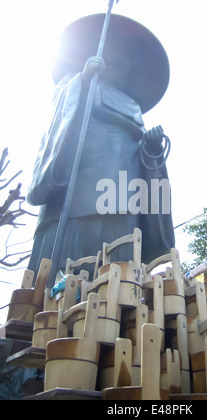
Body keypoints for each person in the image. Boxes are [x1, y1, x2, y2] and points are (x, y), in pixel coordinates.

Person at [26, 14, 175, 277]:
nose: (119, 70)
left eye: (124, 67)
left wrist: (150, 148)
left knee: (118, 262)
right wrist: (83, 81)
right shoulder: (77, 84)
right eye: (115, 62)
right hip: (78, 186)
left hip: (123, 192)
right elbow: (62, 120)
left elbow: (139, 150)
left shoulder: (134, 107)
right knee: (65, 266)